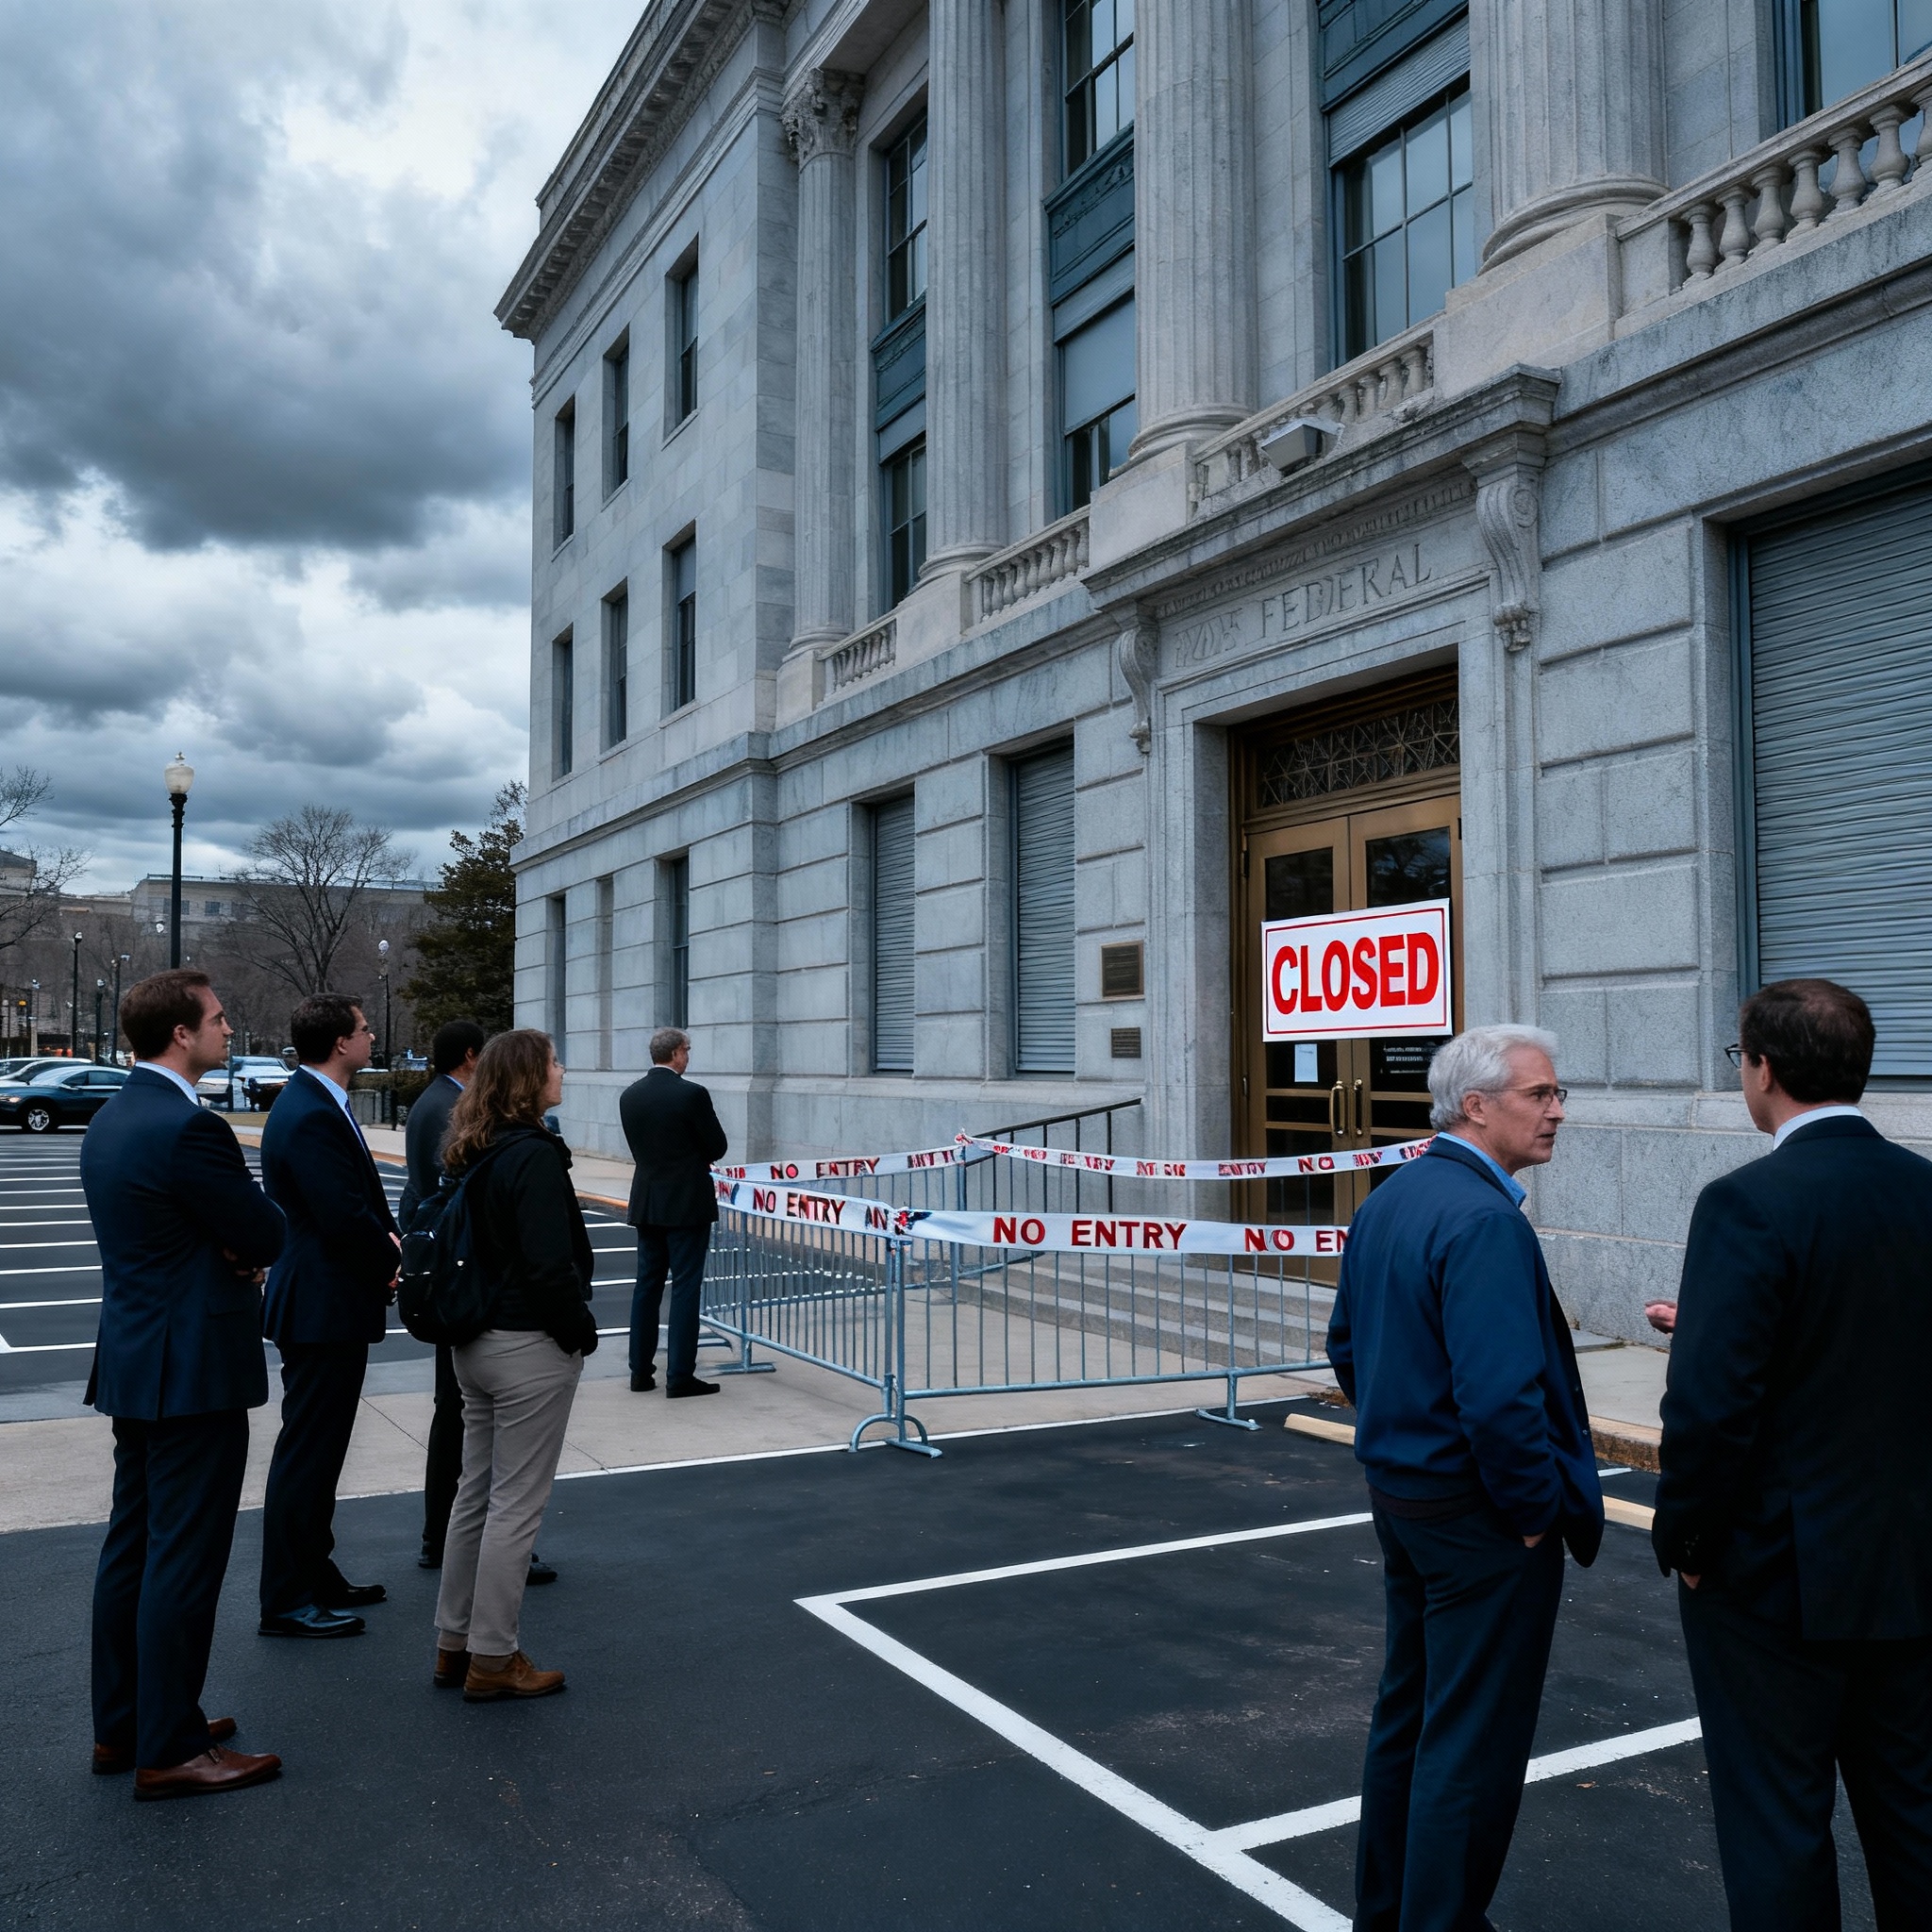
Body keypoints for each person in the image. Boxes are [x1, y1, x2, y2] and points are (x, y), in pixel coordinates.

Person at [1654, 979, 1932, 1930]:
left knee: (1776, 1825)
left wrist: (1686, 1537)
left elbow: (1705, 1411)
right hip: (1910, 1563)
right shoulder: (1921, 1188)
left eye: (1739, 1059)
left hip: (1776, 1580)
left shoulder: (1744, 1203)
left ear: (1761, 1069)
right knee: (1915, 1821)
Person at [1327, 1024, 1603, 1932]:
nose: (1558, 1110)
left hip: (1406, 1499)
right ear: (1476, 1107)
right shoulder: (1482, 1219)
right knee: (1470, 1741)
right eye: (1541, 1094)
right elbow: (1499, 1401)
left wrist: (1401, 1439)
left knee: (1410, 1715)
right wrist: (1529, 1512)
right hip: (1480, 1520)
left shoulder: (1394, 1199)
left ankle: (1390, 1909)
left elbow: (1347, 1353)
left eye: (1559, 1093)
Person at [83, 970, 288, 1799]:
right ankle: (169, 1746)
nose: (229, 1029)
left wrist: (228, 1248)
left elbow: (176, 1237)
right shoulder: (188, 1128)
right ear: (180, 1035)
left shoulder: (111, 1119)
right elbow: (262, 1226)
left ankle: (126, 1723)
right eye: (218, 1018)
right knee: (184, 1556)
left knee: (132, 1545)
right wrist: (240, 1252)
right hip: (193, 1366)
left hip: (135, 1358)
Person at [432, 1028, 596, 1700]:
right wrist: (577, 1333)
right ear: (530, 1078)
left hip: (473, 1342)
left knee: (475, 1495)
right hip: (526, 1343)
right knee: (514, 1506)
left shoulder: (475, 1149)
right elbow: (548, 1264)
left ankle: (454, 1643)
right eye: (554, 1062)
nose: (562, 1070)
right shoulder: (531, 1155)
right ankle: (494, 1658)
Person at [256, 993, 401, 1639]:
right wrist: (389, 1260)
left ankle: (316, 1572)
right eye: (365, 1030)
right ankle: (287, 1598)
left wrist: (388, 1245)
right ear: (341, 1043)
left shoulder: (318, 1103)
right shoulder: (310, 1111)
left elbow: (356, 1204)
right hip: (320, 1305)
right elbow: (342, 1215)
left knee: (321, 1452)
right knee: (307, 1456)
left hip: (329, 1301)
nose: (373, 1038)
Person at [619, 1025, 727, 1398]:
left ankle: (640, 1371)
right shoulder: (692, 1094)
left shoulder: (629, 1096)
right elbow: (717, 1145)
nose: (688, 1055)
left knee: (646, 1287)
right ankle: (680, 1375)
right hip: (686, 1202)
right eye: (687, 1050)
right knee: (685, 1288)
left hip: (647, 1199)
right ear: (678, 1052)